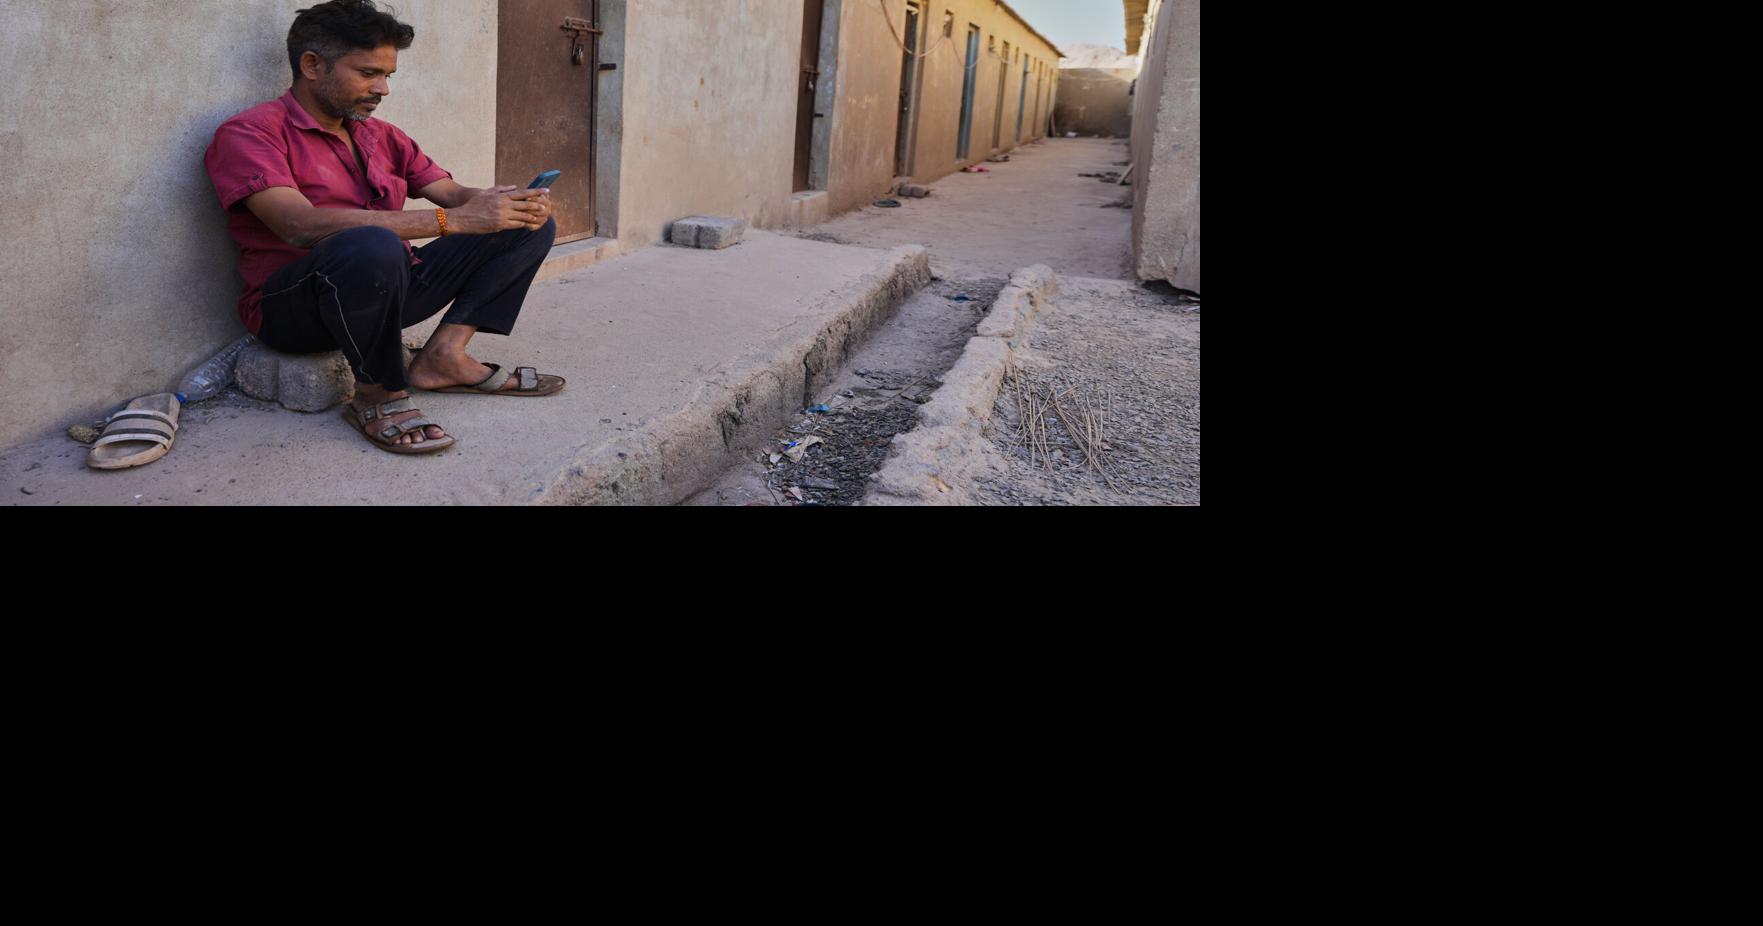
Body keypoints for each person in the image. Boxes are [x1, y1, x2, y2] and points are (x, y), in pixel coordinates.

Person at [205, 0, 564, 454]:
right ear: (312, 65)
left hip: (389, 290)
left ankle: (443, 358)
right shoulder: (251, 133)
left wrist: (505, 203)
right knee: (371, 244)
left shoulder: (382, 136)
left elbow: (451, 193)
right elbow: (299, 225)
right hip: (296, 311)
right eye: (368, 73)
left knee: (526, 227)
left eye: (388, 75)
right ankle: (377, 394)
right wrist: (450, 222)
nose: (383, 89)